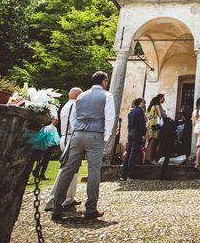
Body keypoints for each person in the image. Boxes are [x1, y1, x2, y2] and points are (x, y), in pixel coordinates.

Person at [52, 71, 114, 221]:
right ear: (104, 82)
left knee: (67, 169)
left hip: (77, 134)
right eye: (107, 81)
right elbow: (110, 117)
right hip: (95, 134)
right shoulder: (107, 96)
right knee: (93, 170)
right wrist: (105, 136)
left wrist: (78, 129)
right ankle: (91, 209)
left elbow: (73, 118)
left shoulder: (80, 96)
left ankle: (56, 208)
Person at [45, 87, 82, 211]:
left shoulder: (66, 106)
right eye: (81, 94)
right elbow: (75, 123)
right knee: (66, 169)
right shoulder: (74, 105)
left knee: (74, 169)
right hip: (70, 138)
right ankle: (52, 199)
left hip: (66, 137)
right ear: (77, 94)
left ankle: (70, 197)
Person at [121, 98, 146, 181]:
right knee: (133, 154)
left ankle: (123, 174)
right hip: (137, 133)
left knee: (128, 153)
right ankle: (129, 174)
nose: (144, 104)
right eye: (143, 102)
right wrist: (143, 134)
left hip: (130, 132)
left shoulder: (131, 112)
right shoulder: (140, 111)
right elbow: (141, 124)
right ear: (140, 102)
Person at [145, 94, 164, 164]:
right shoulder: (157, 106)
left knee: (149, 142)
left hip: (150, 125)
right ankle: (149, 158)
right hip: (155, 125)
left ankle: (146, 157)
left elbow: (147, 116)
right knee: (152, 142)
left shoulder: (150, 107)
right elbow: (160, 115)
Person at [191, 98, 200, 170]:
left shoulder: (194, 111)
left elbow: (193, 122)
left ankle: (198, 161)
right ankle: (197, 163)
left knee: (198, 146)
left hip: (196, 128)